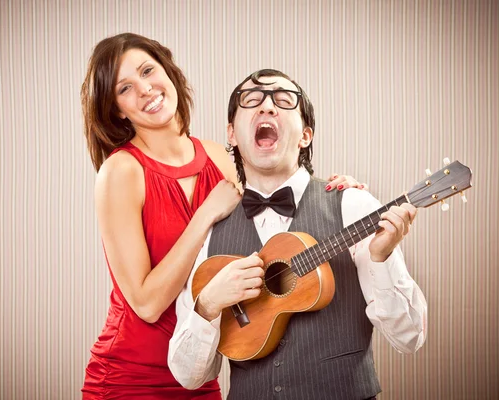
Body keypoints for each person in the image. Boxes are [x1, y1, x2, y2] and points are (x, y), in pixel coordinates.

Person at [80, 32, 365, 399]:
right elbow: (147, 305)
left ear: (168, 71)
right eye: (126, 88)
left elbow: (276, 207)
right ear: (117, 108)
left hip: (202, 367)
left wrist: (336, 191)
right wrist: (205, 216)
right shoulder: (120, 171)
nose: (146, 89)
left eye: (149, 71)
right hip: (131, 375)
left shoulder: (218, 156)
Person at [168, 69, 428, 400]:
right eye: (251, 99)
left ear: (305, 135)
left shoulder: (354, 205)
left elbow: (408, 338)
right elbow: (189, 377)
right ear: (232, 134)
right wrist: (207, 304)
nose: (267, 107)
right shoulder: (211, 233)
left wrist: (383, 257)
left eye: (283, 99)